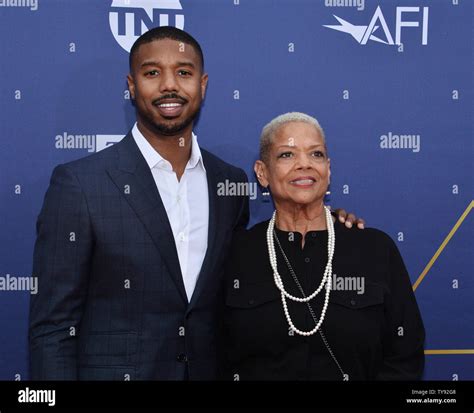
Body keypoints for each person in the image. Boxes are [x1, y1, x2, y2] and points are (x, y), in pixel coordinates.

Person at [29, 28, 362, 381]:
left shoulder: (228, 184)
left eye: (184, 72)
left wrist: (323, 222)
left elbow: (251, 273)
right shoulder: (81, 184)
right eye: (152, 72)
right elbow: (52, 328)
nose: (169, 85)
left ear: (202, 85)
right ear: (131, 85)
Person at [221, 112, 425, 381]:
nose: (304, 164)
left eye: (315, 154)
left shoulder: (375, 249)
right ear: (262, 172)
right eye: (287, 155)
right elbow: (214, 354)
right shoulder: (235, 252)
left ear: (328, 169)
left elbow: (405, 358)